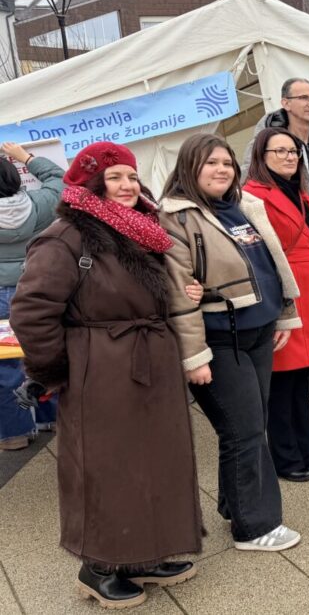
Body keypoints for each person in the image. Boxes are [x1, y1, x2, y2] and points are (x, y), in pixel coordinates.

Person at [11, 141, 202, 608]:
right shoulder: (66, 237)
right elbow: (32, 311)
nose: (127, 185)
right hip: (102, 367)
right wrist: (62, 368)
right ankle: (99, 565)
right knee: (108, 466)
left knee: (155, 461)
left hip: (150, 361)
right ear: (90, 183)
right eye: (114, 177)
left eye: (132, 177)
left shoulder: (143, 230)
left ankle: (145, 552)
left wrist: (186, 293)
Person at [160, 133, 304, 551]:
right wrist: (194, 357)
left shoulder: (240, 207)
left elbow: (271, 265)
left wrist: (284, 314)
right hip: (220, 341)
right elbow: (177, 293)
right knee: (244, 431)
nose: (221, 170)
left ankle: (234, 504)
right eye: (210, 163)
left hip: (258, 332)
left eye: (226, 162)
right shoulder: (176, 217)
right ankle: (255, 527)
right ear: (190, 167)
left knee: (248, 425)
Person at [243, 127, 309, 482]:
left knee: (302, 377)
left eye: (293, 151)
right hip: (282, 290)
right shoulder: (252, 195)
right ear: (261, 156)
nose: (288, 157)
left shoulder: (301, 193)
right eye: (279, 151)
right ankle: (285, 453)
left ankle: (306, 445)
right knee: (282, 380)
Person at [0, 142, 64, 451]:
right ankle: (52, 418)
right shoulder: (41, 204)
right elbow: (61, 180)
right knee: (44, 353)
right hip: (35, 289)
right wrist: (25, 157)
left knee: (5, 365)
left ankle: (14, 433)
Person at [245, 78, 309, 202]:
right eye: (304, 98)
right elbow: (248, 183)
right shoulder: (264, 142)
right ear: (286, 103)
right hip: (285, 216)